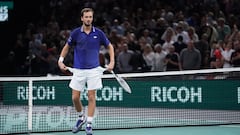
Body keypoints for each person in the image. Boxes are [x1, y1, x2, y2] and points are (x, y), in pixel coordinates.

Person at [58, 8, 115, 135]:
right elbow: (67, 47)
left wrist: (112, 62)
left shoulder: (99, 33)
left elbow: (110, 46)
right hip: (78, 70)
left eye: (90, 17)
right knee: (75, 97)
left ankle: (89, 124)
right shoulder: (76, 33)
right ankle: (81, 117)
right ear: (82, 18)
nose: (89, 19)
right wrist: (60, 60)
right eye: (86, 17)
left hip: (93, 70)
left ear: (92, 18)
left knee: (91, 96)